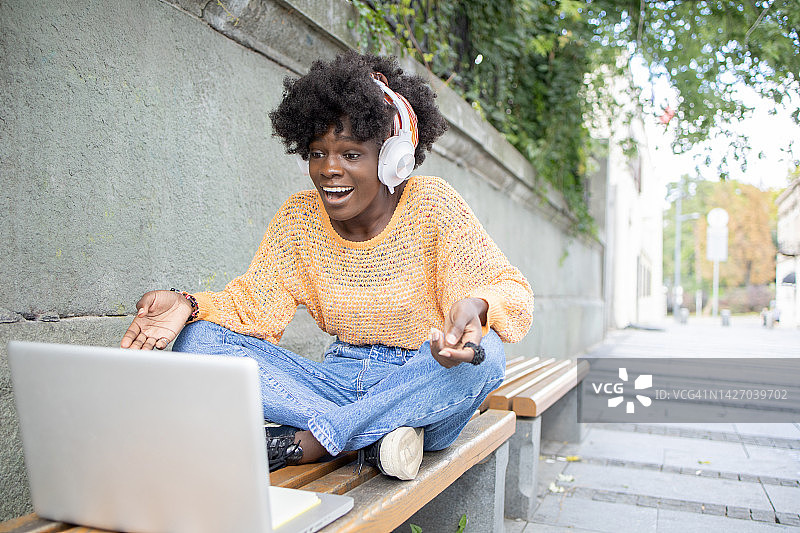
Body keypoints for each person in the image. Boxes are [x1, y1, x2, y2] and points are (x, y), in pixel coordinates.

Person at [121, 50, 534, 481]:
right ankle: (375, 438)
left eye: (351, 154)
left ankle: (313, 442)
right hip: (333, 382)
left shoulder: (432, 205)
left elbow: (510, 288)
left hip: (422, 374)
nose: (329, 170)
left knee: (487, 357)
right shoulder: (300, 218)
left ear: (393, 159)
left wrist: (479, 306)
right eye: (318, 154)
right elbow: (256, 305)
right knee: (197, 341)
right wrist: (188, 303)